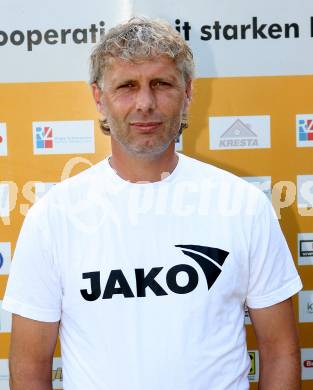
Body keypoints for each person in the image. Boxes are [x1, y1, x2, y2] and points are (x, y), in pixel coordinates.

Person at [2, 17, 302, 390]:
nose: (145, 103)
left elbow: (281, 351)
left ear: (188, 91)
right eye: (127, 86)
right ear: (99, 97)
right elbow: (29, 366)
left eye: (161, 84)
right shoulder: (53, 217)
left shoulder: (243, 205)